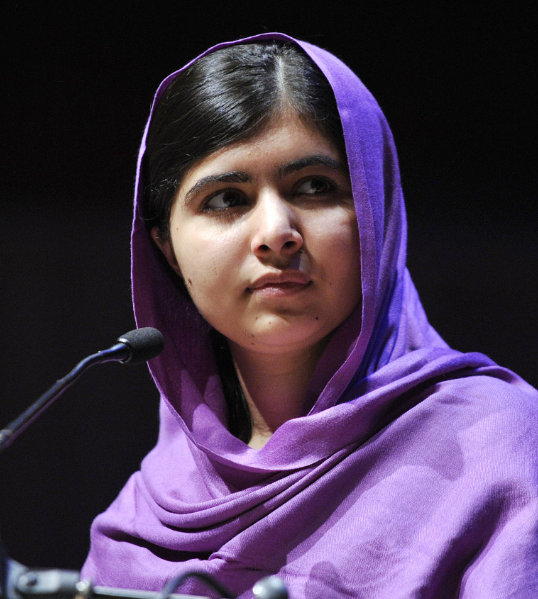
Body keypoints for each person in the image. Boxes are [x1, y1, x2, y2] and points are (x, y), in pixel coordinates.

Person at [81, 33, 538, 598]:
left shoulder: (503, 449)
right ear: (167, 249)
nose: (277, 233)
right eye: (227, 198)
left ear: (376, 214)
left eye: (315, 187)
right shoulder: (134, 532)